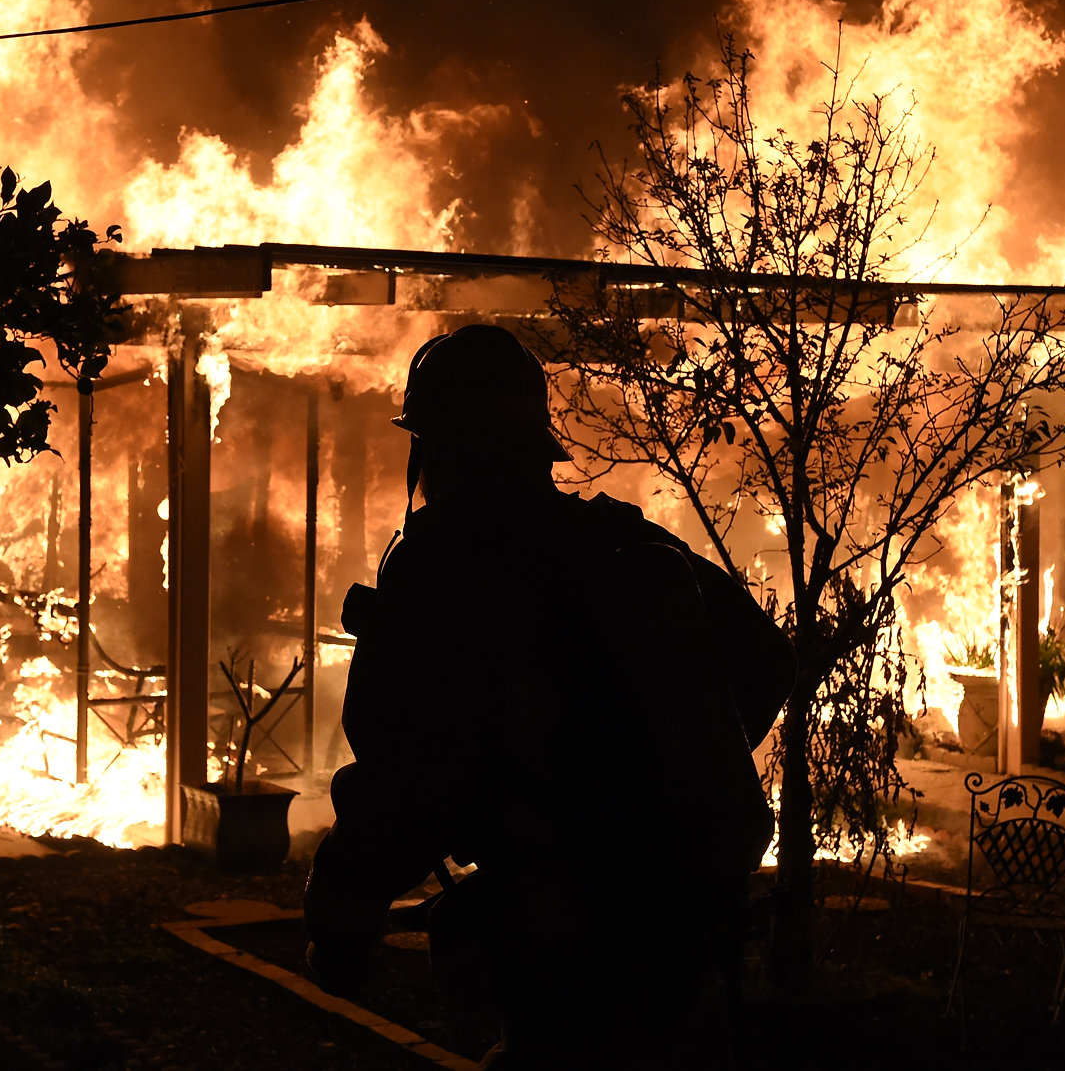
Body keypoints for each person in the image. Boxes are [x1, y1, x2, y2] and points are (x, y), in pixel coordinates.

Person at [303, 323, 795, 1068]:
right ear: (539, 449)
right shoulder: (620, 541)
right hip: (678, 916)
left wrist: (341, 919)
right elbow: (768, 659)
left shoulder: (444, 571)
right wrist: (670, 770)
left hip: (559, 930)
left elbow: (406, 777)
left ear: (433, 452)